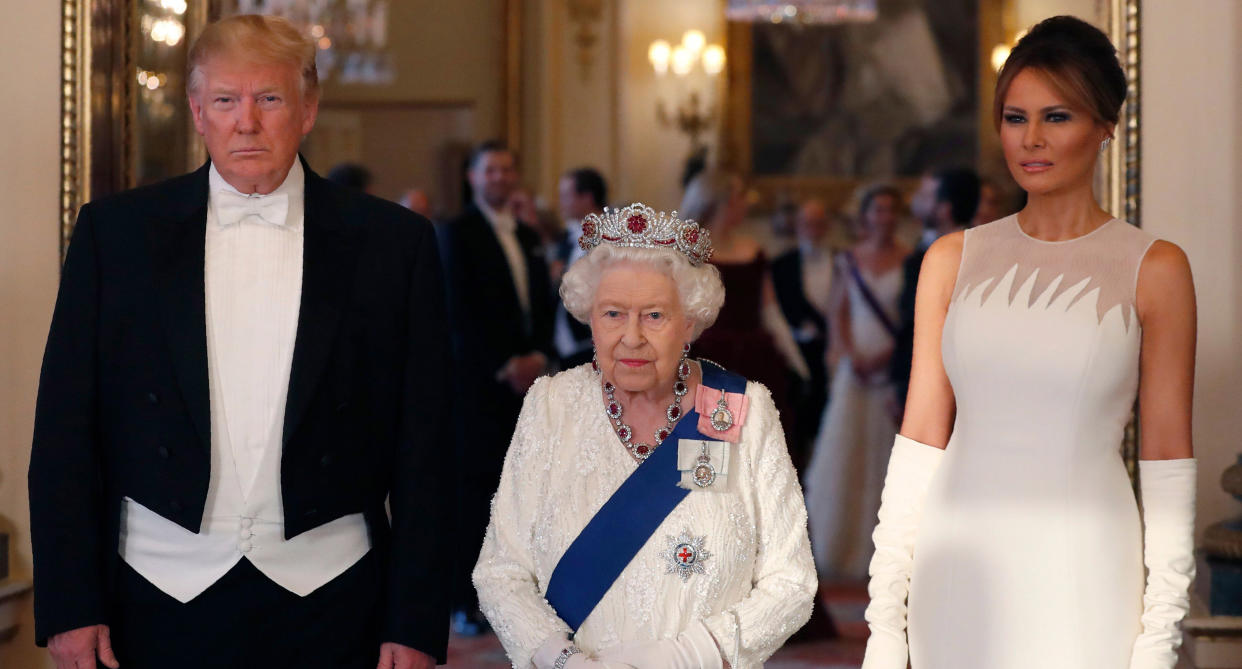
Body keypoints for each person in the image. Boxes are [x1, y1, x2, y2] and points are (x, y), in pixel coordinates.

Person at [28, 15, 449, 669]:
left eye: (269, 98)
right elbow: (64, 434)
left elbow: (427, 450)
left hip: (333, 596)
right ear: (198, 111)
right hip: (156, 593)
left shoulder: (394, 245)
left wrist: (418, 619)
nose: (245, 121)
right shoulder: (116, 237)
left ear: (308, 109)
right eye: (225, 100)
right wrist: (69, 604)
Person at [862, 16, 1197, 669]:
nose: (1032, 139)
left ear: (1106, 125)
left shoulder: (1155, 268)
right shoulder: (950, 258)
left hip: (1085, 568)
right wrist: (884, 621)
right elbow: (921, 439)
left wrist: (1160, 631)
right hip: (957, 570)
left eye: (1057, 116)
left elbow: (1166, 459)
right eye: (1015, 118)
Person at [473, 202, 816, 669]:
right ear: (589, 318)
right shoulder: (551, 406)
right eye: (613, 314)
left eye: (654, 316)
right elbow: (501, 572)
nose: (631, 337)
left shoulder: (742, 409)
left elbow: (791, 582)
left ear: (690, 323)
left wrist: (680, 658)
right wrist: (567, 662)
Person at [438, 140, 554, 635]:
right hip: (480, 385)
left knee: (523, 493)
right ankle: (465, 600)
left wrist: (538, 355)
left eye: (508, 169)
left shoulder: (528, 234)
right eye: (491, 170)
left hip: (526, 384)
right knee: (475, 492)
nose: (500, 178)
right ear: (473, 177)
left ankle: (518, 598)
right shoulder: (456, 234)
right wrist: (503, 364)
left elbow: (543, 303)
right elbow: (456, 310)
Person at [803, 183, 910, 581]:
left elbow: (909, 322)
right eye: (876, 210)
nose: (883, 217)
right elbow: (838, 314)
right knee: (847, 455)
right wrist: (851, 355)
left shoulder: (910, 259)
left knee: (887, 461)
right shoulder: (848, 260)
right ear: (864, 216)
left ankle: (887, 553)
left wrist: (885, 358)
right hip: (855, 370)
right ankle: (842, 549)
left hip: (891, 371)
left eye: (889, 210)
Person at [679, 171, 809, 438]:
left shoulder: (753, 250)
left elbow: (770, 312)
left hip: (755, 359)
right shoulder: (687, 254)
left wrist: (796, 362)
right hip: (705, 359)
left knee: (756, 444)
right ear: (721, 201)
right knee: (706, 448)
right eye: (740, 197)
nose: (746, 203)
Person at [890, 168, 980, 412]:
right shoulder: (922, 249)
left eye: (924, 194)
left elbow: (916, 323)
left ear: (944, 208)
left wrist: (902, 385)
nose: (914, 199)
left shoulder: (968, 255)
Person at [771, 198, 835, 471]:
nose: (813, 228)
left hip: (834, 355)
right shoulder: (780, 265)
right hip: (796, 357)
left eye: (819, 223)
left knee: (829, 427)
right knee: (796, 428)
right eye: (807, 223)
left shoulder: (842, 260)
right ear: (797, 226)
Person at [554, 167, 608, 368]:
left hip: (591, 342)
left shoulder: (609, 238)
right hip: (566, 344)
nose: (561, 203)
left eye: (566, 196)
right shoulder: (568, 237)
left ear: (586, 198)